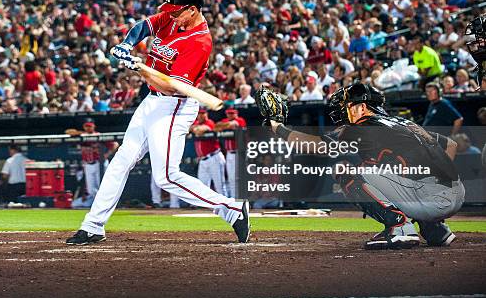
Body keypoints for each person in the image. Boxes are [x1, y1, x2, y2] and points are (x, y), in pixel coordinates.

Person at [66, 0, 249, 245]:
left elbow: (171, 85)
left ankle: (230, 209)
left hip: (175, 105)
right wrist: (127, 45)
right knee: (121, 161)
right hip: (151, 101)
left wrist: (139, 69)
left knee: (166, 176)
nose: (171, 14)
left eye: (177, 11)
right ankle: (93, 225)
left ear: (193, 10)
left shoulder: (199, 42)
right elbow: (145, 26)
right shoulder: (174, 17)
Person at [267, 83, 464, 249]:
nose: (342, 111)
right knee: (381, 167)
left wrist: (278, 128)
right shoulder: (404, 122)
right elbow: (450, 145)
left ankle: (400, 226)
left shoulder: (362, 125)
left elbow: (317, 146)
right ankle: (434, 228)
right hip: (455, 192)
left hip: (430, 197)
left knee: (345, 170)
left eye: (347, 106)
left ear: (361, 107)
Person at [191, 108, 226, 196]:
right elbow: (190, 128)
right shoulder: (196, 123)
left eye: (203, 113)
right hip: (203, 160)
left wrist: (195, 129)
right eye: (199, 114)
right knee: (202, 186)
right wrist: (194, 128)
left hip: (214, 157)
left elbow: (198, 131)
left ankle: (227, 206)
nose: (201, 115)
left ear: (206, 114)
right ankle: (209, 207)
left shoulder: (209, 122)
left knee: (220, 186)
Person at [214, 108, 247, 198]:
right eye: (228, 113)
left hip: (239, 153)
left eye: (232, 113)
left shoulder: (240, 120)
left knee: (240, 178)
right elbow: (215, 127)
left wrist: (223, 126)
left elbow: (233, 124)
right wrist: (224, 125)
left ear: (236, 114)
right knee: (232, 179)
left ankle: (243, 200)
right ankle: (233, 199)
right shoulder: (225, 120)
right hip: (229, 154)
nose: (230, 115)